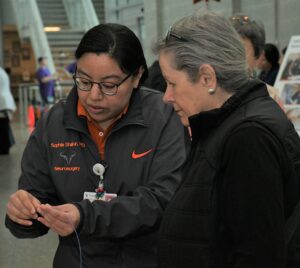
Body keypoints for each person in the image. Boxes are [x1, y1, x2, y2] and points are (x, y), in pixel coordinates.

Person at [5, 23, 188, 268]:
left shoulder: (164, 117)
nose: (94, 95)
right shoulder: (53, 123)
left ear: (136, 76)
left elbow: (165, 199)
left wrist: (85, 215)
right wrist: (23, 214)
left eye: (109, 85)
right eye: (83, 81)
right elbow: (36, 197)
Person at [155, 11, 300, 267]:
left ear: (207, 78)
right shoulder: (227, 125)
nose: (167, 97)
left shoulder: (249, 137)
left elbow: (258, 254)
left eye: (172, 83)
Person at [0, 66, 16, 154]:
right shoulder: (2, 71)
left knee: (3, 127)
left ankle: (4, 148)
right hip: (5, 102)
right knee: (4, 127)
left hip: (2, 103)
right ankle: (5, 146)